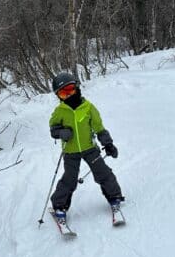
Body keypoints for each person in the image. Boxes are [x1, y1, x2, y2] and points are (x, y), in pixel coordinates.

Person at [48, 72, 123, 227]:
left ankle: (114, 197)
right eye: (63, 93)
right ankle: (59, 206)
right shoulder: (59, 112)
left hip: (90, 149)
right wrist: (61, 133)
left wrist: (108, 144)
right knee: (69, 179)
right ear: (58, 96)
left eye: (70, 89)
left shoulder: (88, 107)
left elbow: (99, 128)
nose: (68, 95)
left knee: (103, 173)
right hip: (70, 152)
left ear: (76, 87)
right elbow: (53, 129)